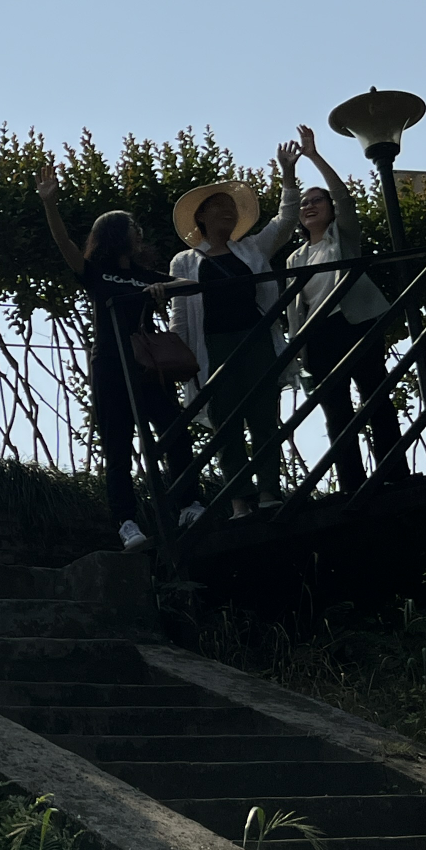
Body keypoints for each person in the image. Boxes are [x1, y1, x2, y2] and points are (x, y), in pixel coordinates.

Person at [37, 167, 200, 550]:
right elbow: (64, 245)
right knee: (118, 444)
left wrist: (162, 287)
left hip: (149, 367)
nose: (138, 232)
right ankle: (126, 523)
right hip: (111, 367)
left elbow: (194, 285)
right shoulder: (96, 273)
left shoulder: (144, 274)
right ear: (114, 234)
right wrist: (50, 204)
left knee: (175, 431)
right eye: (131, 226)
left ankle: (189, 504)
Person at [167, 146, 301, 517]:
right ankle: (239, 501)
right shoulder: (184, 262)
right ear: (201, 216)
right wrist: (181, 360)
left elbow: (286, 220)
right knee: (225, 425)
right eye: (218, 206)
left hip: (256, 341)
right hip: (213, 347)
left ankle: (270, 492)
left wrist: (288, 173)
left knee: (264, 418)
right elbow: (181, 317)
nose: (228, 210)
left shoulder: (252, 249)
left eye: (231, 205)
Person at [286, 125, 403, 493]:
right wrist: (299, 347)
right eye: (304, 203)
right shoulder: (295, 259)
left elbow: (343, 196)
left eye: (316, 201)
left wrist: (313, 156)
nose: (309, 206)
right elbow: (296, 310)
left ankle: (395, 474)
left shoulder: (344, 237)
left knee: (376, 398)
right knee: (336, 412)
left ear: (330, 209)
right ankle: (352, 483)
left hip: (355, 324)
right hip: (318, 336)